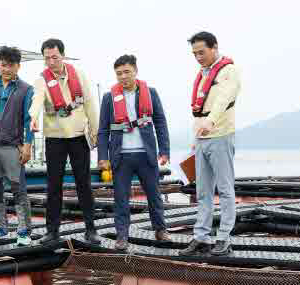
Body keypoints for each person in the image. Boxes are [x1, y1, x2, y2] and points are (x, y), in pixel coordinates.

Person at [29, 38, 100, 244]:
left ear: (63, 55)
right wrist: (32, 118)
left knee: (83, 184)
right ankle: (52, 231)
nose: (51, 62)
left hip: (78, 135)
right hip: (55, 138)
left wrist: (95, 133)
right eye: (47, 58)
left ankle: (91, 229)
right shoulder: (42, 80)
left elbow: (90, 104)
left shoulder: (79, 74)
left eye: (55, 57)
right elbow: (36, 101)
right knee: (53, 186)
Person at [97, 54, 171, 251]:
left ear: (135, 71)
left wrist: (164, 150)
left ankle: (160, 230)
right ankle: (122, 236)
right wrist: (103, 157)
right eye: (119, 73)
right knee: (120, 198)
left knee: (154, 195)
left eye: (127, 72)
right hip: (121, 157)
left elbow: (160, 122)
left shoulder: (151, 93)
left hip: (146, 155)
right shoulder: (108, 98)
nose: (123, 76)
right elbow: (103, 129)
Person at [179, 31, 241, 256]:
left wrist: (211, 122)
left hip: (221, 135)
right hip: (202, 138)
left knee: (224, 189)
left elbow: (223, 100)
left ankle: (223, 237)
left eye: (201, 52)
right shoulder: (202, 74)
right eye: (194, 53)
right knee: (203, 191)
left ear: (214, 47)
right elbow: (199, 110)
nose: (198, 57)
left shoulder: (228, 71)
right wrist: (195, 138)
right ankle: (201, 237)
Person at [0, 46, 34, 246]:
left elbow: (30, 120)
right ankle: (0, 228)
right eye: (3, 65)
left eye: (10, 65)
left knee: (18, 190)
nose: (6, 69)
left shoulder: (26, 89)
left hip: (13, 147)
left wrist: (27, 145)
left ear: (18, 66)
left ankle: (24, 231)